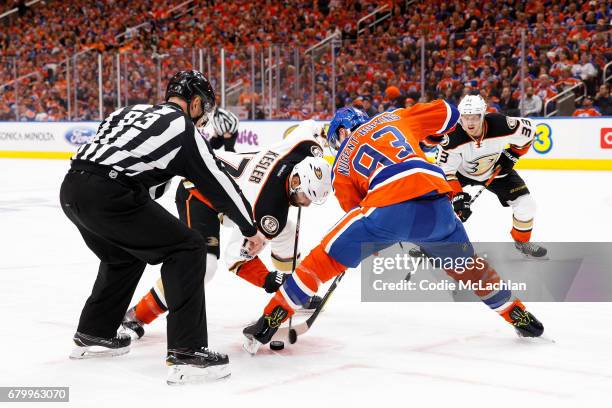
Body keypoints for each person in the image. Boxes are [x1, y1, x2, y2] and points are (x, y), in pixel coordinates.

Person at [242, 103, 545, 354]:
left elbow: (358, 211)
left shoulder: (341, 168)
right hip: (438, 202)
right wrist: (432, 139)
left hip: (389, 205)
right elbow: (448, 112)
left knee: (323, 259)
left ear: (341, 132)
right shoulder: (395, 117)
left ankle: (271, 317)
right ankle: (515, 313)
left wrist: (362, 251)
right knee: (469, 267)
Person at [59, 70, 266, 384]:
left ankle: (94, 333)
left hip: (72, 189)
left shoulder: (126, 112)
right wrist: (250, 228)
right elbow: (218, 183)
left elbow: (131, 166)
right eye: (204, 111)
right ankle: (188, 353)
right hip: (110, 193)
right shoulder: (183, 128)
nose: (203, 120)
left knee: (124, 256)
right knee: (189, 247)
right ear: (195, 103)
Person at [121, 120, 332, 338]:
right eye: (305, 196)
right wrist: (268, 279)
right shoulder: (268, 209)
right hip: (200, 193)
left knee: (287, 230)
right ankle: (137, 315)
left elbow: (310, 126)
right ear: (296, 179)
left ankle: (292, 293)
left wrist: (323, 133)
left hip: (232, 192)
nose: (306, 204)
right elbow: (236, 259)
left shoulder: (303, 149)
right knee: (204, 265)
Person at [436, 95, 546, 257]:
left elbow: (530, 133)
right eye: (466, 117)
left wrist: (512, 155)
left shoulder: (502, 125)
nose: (470, 122)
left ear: (483, 115)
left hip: (497, 170)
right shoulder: (451, 137)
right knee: (436, 202)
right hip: (460, 174)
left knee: (527, 205)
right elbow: (446, 172)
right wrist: (457, 196)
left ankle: (522, 241)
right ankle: (431, 243)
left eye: (475, 117)